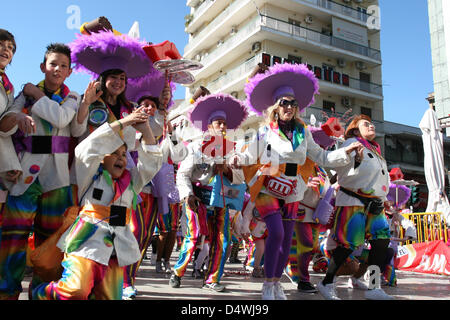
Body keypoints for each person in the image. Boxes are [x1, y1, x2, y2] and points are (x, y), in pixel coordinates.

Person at [239, 62, 363, 300]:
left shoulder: (303, 131)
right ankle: (267, 284)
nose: (289, 107)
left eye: (293, 103)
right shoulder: (265, 131)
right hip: (269, 186)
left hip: (293, 190)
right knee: (275, 233)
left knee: (286, 240)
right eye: (284, 102)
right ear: (276, 107)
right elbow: (248, 153)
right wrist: (235, 157)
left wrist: (345, 152)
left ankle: (276, 283)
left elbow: (321, 156)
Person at [67, 27, 161, 299]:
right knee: (84, 263)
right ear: (102, 79)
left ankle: (118, 282)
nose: (119, 82)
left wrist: (141, 127)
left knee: (119, 239)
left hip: (122, 177)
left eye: (123, 78)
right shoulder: (90, 101)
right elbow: (83, 138)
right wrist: (87, 104)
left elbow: (138, 146)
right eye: (113, 77)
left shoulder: (130, 109)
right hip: (92, 174)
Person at [32, 108, 162, 300]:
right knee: (75, 290)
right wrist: (126, 121)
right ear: (102, 158)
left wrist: (146, 129)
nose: (120, 158)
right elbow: (88, 148)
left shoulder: (132, 182)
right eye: (114, 153)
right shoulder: (89, 176)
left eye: (124, 154)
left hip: (117, 246)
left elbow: (151, 163)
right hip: (85, 242)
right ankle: (40, 294)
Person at [0, 43, 84, 300]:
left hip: (57, 181)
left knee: (51, 243)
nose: (57, 69)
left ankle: (41, 294)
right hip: (24, 179)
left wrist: (36, 95)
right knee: (12, 240)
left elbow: (62, 120)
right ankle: (6, 293)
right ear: (42, 67)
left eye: (63, 66)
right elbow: (4, 126)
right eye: (52, 64)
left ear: (69, 72)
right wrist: (17, 118)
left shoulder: (73, 97)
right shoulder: (23, 95)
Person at [170, 92, 248, 292]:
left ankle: (211, 280)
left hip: (220, 199)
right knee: (195, 236)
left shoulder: (232, 149)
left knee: (222, 240)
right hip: (197, 198)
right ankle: (178, 272)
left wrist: (228, 171)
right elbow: (183, 174)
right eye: (218, 123)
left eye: (224, 124)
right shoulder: (196, 147)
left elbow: (240, 179)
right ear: (209, 126)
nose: (222, 127)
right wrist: (188, 196)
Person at [317, 114, 394, 300]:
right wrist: (357, 160)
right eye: (366, 124)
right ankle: (326, 282)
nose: (371, 125)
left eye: (372, 123)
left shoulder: (376, 150)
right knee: (348, 244)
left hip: (375, 204)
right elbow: (341, 169)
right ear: (355, 129)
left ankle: (374, 287)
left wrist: (384, 198)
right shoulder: (351, 143)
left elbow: (380, 179)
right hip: (353, 201)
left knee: (382, 240)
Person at [0, 29, 22, 243]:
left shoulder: (8, 87)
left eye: (10, 48)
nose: (6, 50)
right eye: (1, 44)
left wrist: (10, 163)